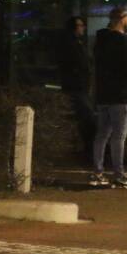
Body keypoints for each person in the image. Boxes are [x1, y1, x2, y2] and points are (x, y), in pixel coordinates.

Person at [91, 7, 127, 189]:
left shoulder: (100, 41)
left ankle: (98, 172)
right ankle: (119, 174)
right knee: (118, 137)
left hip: (103, 95)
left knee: (102, 135)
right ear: (122, 19)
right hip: (121, 96)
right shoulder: (123, 42)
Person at [56, 16, 95, 164]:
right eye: (80, 25)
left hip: (79, 85)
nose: (83, 28)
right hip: (76, 86)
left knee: (84, 117)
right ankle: (88, 150)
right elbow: (78, 63)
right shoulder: (71, 44)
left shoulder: (75, 43)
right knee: (87, 117)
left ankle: (86, 148)